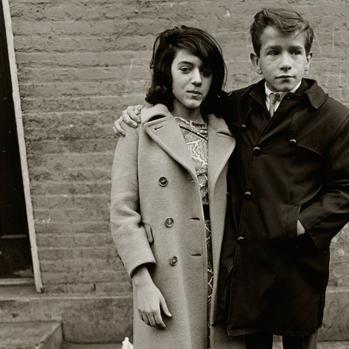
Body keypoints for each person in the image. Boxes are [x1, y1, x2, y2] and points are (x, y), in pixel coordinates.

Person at [113, 8, 349, 349]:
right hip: (234, 265)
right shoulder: (235, 108)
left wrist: (301, 224)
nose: (285, 63)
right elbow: (126, 209)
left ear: (309, 58)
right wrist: (138, 113)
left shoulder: (332, 118)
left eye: (295, 52)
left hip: (287, 261)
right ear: (255, 60)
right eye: (273, 52)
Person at [110, 26, 243, 349]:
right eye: (185, 69)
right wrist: (142, 283)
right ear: (166, 72)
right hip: (169, 276)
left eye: (206, 72)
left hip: (223, 275)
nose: (197, 80)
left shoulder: (229, 130)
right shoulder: (140, 129)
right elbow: (123, 213)